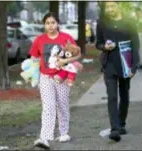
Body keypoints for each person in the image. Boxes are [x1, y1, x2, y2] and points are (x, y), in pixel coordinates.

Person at [29, 12, 82, 149]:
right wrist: (33, 76)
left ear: (57, 23)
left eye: (53, 23)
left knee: (62, 105)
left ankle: (64, 132)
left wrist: (65, 61)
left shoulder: (66, 38)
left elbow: (77, 54)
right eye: (47, 23)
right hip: (45, 77)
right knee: (48, 107)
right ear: (44, 25)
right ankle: (45, 138)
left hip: (63, 77)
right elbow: (34, 59)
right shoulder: (39, 40)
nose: (50, 26)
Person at [95, 2, 140, 142]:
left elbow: (135, 45)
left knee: (124, 95)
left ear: (119, 5)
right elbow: (98, 43)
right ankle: (114, 128)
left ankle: (121, 124)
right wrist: (105, 47)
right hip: (109, 64)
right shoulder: (102, 23)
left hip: (126, 64)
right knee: (112, 96)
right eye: (107, 7)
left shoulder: (130, 22)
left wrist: (134, 67)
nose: (109, 9)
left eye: (112, 6)